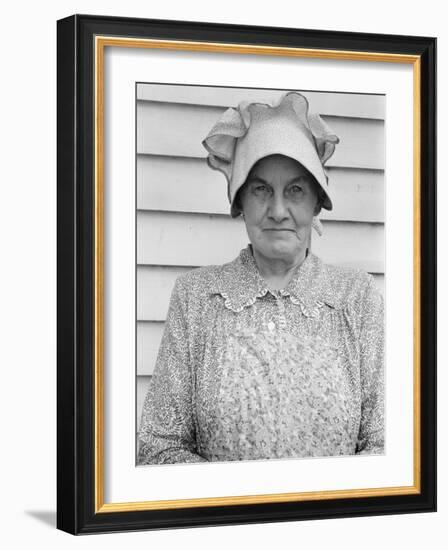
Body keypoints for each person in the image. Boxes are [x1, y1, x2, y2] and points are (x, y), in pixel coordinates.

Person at [138, 91, 384, 465]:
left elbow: (388, 443)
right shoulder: (197, 299)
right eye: (261, 189)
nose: (278, 210)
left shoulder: (357, 297)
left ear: (317, 201)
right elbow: (158, 444)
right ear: (240, 202)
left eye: (296, 190)